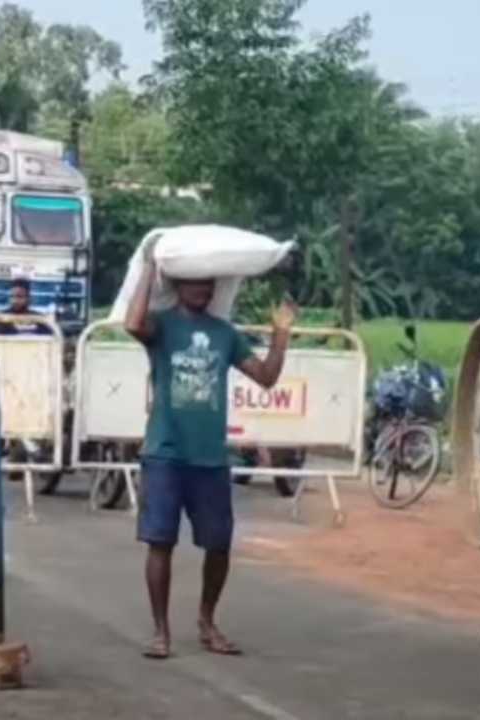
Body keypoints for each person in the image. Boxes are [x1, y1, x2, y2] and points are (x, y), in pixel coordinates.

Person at [123, 235, 296, 660]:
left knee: (218, 545)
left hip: (210, 457)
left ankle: (206, 620)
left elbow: (267, 377)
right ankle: (161, 631)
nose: (202, 290)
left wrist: (281, 333)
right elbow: (132, 323)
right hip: (165, 452)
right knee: (160, 542)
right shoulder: (162, 325)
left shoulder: (225, 334)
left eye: (209, 285)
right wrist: (149, 267)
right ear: (178, 285)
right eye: (194, 283)